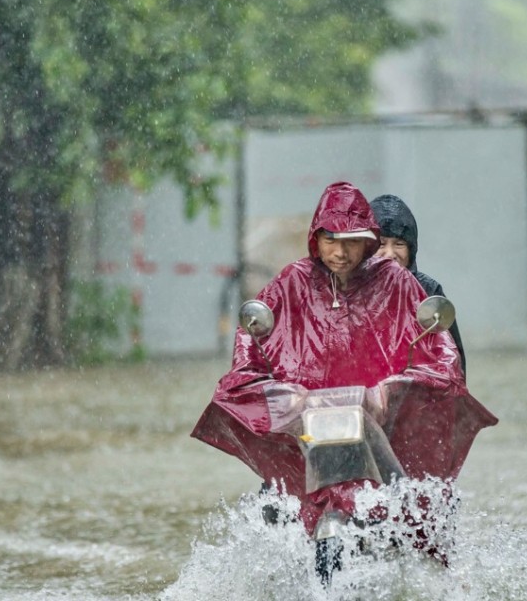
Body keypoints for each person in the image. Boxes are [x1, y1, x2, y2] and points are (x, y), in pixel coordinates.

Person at [191, 181, 496, 543]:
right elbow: (255, 335)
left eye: (353, 241)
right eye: (331, 240)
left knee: (420, 514)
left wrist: (395, 392)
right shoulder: (293, 281)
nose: (341, 252)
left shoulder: (404, 286)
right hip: (313, 422)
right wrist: (269, 385)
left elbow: (444, 359)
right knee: (275, 506)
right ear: (316, 239)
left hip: (383, 420)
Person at [369, 194, 467, 375]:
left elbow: (453, 360)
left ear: (411, 248)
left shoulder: (428, 291)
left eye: (399, 244)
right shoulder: (350, 290)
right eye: (381, 244)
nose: (390, 253)